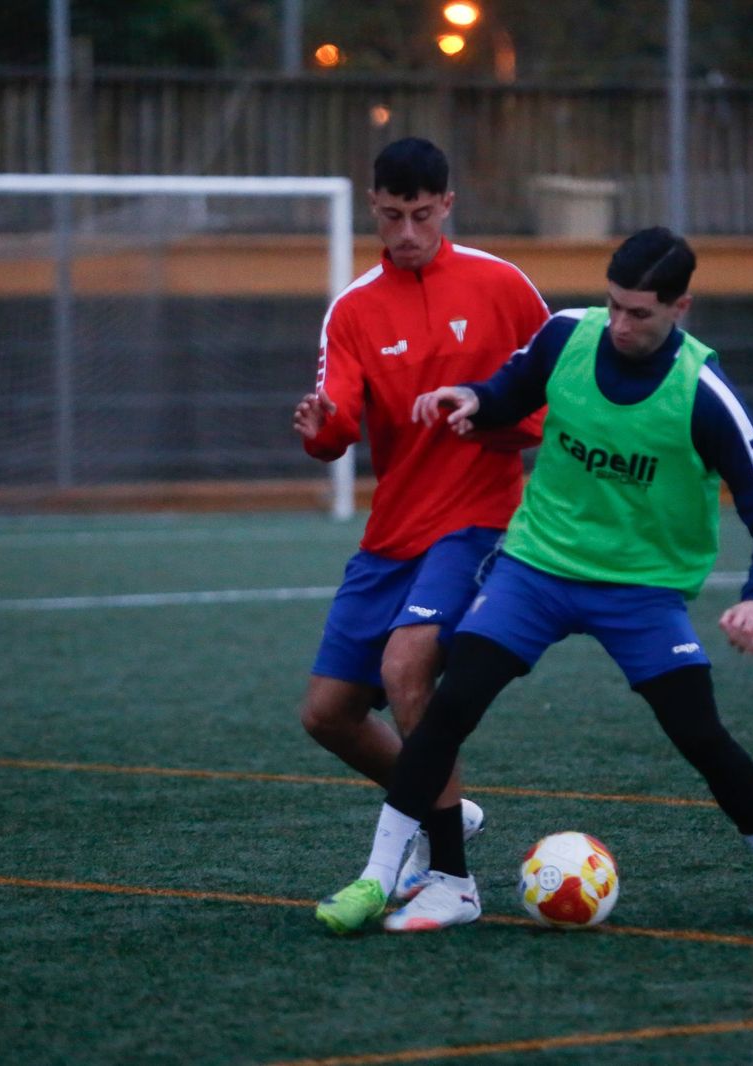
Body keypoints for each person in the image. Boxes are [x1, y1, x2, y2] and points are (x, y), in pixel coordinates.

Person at [315, 226, 753, 935]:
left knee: (700, 735)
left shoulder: (703, 392)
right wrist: (474, 400)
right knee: (450, 707)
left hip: (640, 589)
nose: (621, 325)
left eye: (640, 313)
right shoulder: (570, 333)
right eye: (614, 306)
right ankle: (400, 879)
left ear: (680, 308)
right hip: (537, 567)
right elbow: (512, 390)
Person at [292, 136, 550, 902]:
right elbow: (337, 420)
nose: (406, 233)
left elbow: (547, 402)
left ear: (447, 206)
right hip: (391, 533)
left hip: (477, 521)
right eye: (392, 215)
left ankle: (450, 880)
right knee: (328, 715)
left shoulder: (503, 287)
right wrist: (321, 429)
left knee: (408, 668)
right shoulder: (353, 309)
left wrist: (493, 421)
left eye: (421, 215)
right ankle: (448, 807)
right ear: (373, 206)